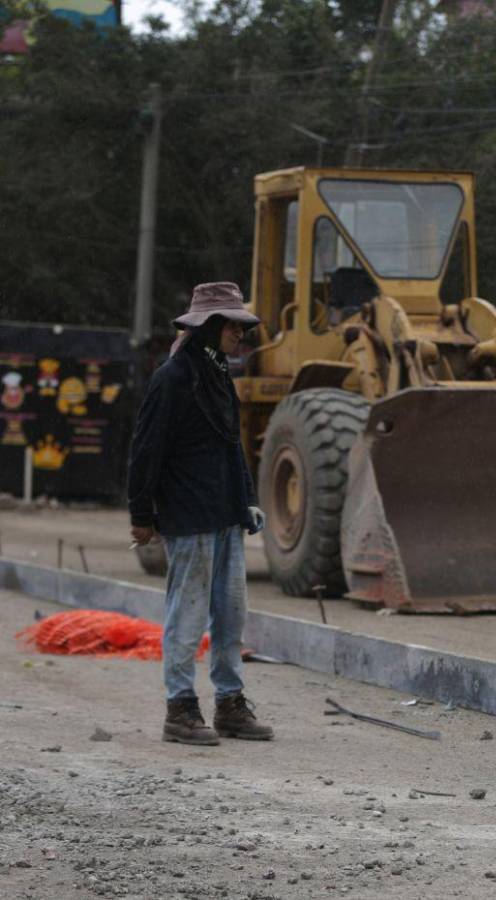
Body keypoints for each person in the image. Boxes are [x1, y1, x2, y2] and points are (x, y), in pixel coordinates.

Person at [128, 282, 274, 746]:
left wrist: (247, 499)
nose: (239, 332)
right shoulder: (173, 377)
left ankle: (230, 705)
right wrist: (141, 513)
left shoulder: (218, 373)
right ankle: (180, 708)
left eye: (240, 324)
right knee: (187, 617)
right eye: (231, 324)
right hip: (189, 517)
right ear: (209, 326)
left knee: (231, 617)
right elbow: (146, 448)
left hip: (226, 514)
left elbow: (231, 445)